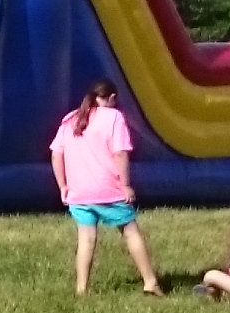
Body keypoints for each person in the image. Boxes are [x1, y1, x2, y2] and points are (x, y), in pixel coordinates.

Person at [47, 78, 162, 295]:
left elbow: (56, 154)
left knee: (86, 239)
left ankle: (82, 289)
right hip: (108, 189)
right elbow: (120, 153)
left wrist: (63, 185)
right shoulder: (114, 117)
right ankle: (150, 281)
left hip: (78, 192)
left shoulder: (71, 118)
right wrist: (126, 185)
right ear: (111, 98)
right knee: (130, 232)